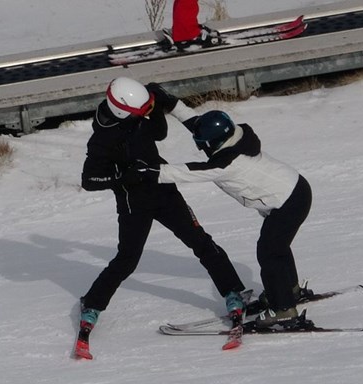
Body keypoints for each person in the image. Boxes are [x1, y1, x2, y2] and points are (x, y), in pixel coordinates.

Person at [73, 77, 248, 359]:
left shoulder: (139, 113)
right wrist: (122, 176)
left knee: (200, 241)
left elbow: (158, 134)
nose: (144, 114)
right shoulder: (102, 139)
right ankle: (92, 305)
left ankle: (233, 292)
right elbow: (89, 180)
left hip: (164, 191)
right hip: (133, 203)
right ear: (121, 110)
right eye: (141, 111)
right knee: (127, 259)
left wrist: (156, 107)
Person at [132, 96, 312, 330]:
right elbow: (198, 124)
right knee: (277, 247)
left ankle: (284, 309)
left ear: (211, 143)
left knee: (269, 252)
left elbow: (187, 172)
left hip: (288, 202)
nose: (200, 147)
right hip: (295, 190)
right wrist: (171, 103)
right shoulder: (235, 138)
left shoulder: (225, 164)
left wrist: (146, 171)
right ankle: (288, 291)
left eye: (202, 144)